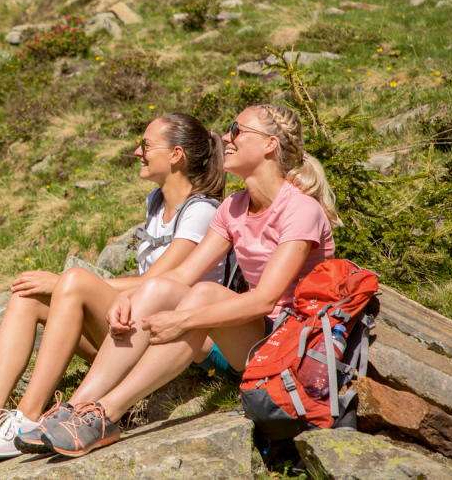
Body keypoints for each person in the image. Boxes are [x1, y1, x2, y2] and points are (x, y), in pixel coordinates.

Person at [37, 104, 339, 458]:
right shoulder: (233, 207)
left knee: (204, 295)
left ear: (270, 145)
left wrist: (182, 319)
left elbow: (264, 300)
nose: (226, 137)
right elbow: (178, 276)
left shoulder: (299, 209)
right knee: (161, 286)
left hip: (291, 345)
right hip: (253, 337)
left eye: (237, 130)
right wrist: (130, 299)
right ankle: (77, 409)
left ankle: (108, 413)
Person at [0, 113, 228, 461]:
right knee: (28, 296)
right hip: (138, 330)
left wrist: (65, 283)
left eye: (145, 145)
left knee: (73, 281)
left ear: (176, 155)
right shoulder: (156, 202)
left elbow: (157, 283)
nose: (136, 152)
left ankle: (27, 417)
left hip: (174, 342)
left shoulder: (201, 211)